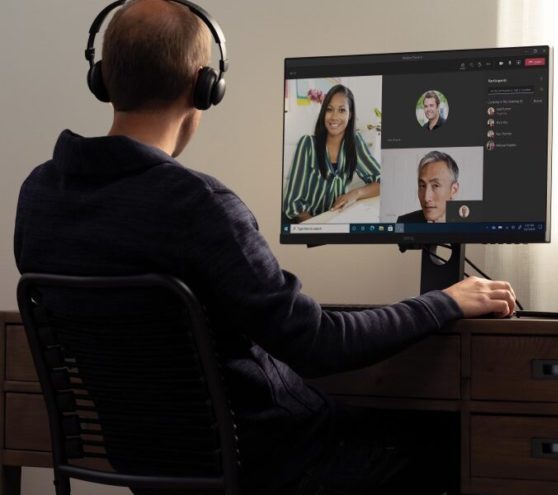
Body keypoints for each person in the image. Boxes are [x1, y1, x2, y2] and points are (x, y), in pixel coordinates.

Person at [13, 1, 516, 494]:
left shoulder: (39, 196)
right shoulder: (198, 206)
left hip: (148, 464)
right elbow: (318, 343)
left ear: (103, 77)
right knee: (457, 443)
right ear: (204, 86)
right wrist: (446, 301)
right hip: (271, 463)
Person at [283, 84, 381, 223]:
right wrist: (317, 229)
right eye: (329, 109)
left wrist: (355, 194)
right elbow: (292, 204)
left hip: (333, 219)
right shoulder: (308, 144)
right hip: (305, 223)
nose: (334, 117)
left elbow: (382, 181)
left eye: (342, 110)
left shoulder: (355, 143)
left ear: (350, 114)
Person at [397, 151, 459, 223]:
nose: (426, 198)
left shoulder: (470, 227)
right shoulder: (404, 222)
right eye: (422, 186)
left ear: (454, 190)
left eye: (436, 185)